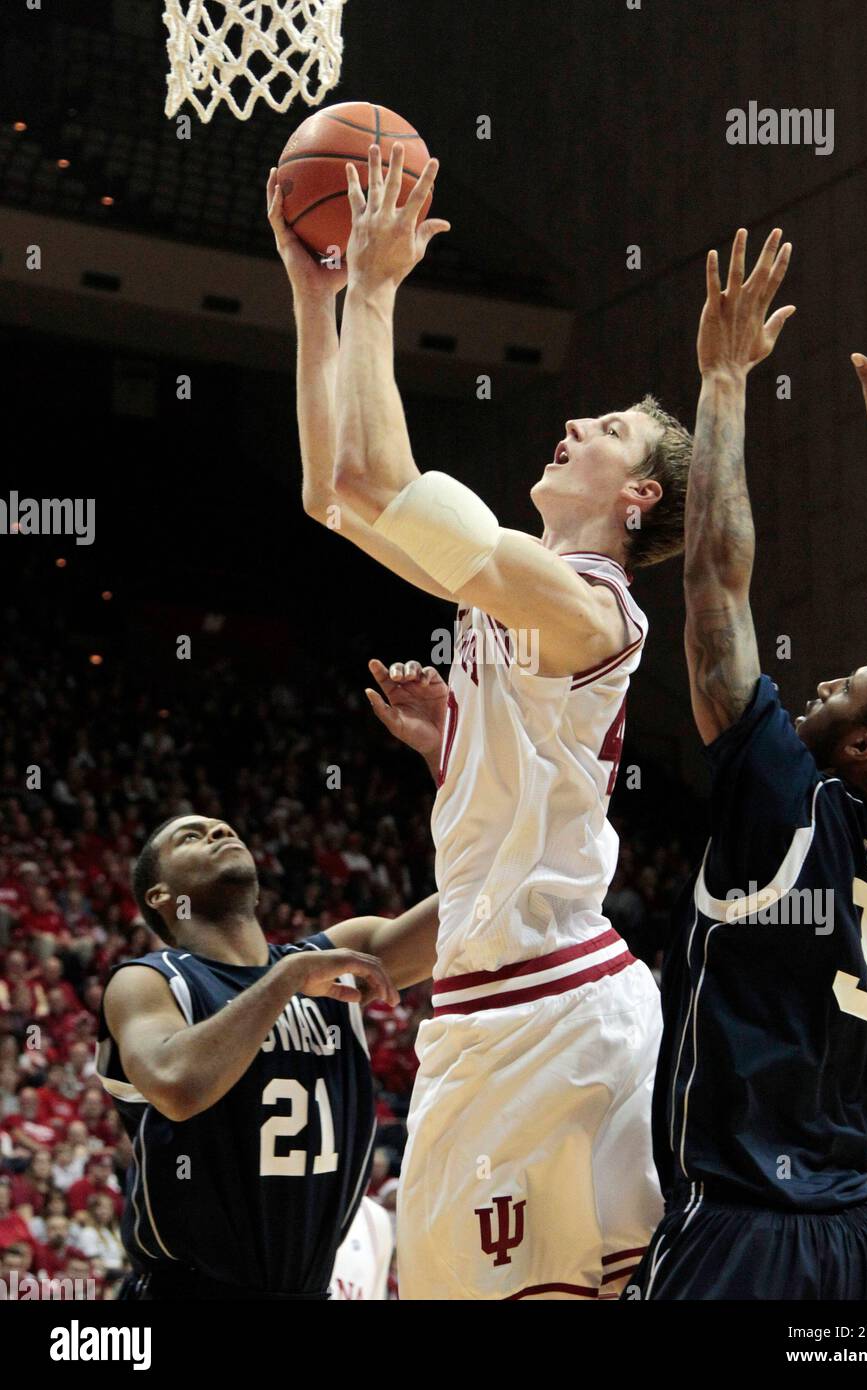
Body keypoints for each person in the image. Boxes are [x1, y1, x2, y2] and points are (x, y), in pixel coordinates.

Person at [268, 144, 695, 1299]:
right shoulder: (506, 600)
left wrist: (379, 286)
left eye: (606, 428)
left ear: (637, 494)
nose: (575, 422)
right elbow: (331, 492)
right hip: (478, 1011)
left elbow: (382, 478)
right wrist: (318, 297)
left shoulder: (585, 603)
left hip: (554, 1012)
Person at [626, 231, 867, 1299]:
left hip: (740, 1232)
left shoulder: (784, 806)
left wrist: (721, 378)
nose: (818, 684)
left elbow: (714, 587)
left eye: (838, 691)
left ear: (863, 744)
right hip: (849, 1239)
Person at [97, 813, 439, 1299]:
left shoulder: (333, 955)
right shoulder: (148, 981)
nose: (218, 833)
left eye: (225, 829)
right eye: (190, 837)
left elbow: (471, 913)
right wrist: (285, 979)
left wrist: (450, 769)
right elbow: (177, 1083)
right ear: (160, 896)